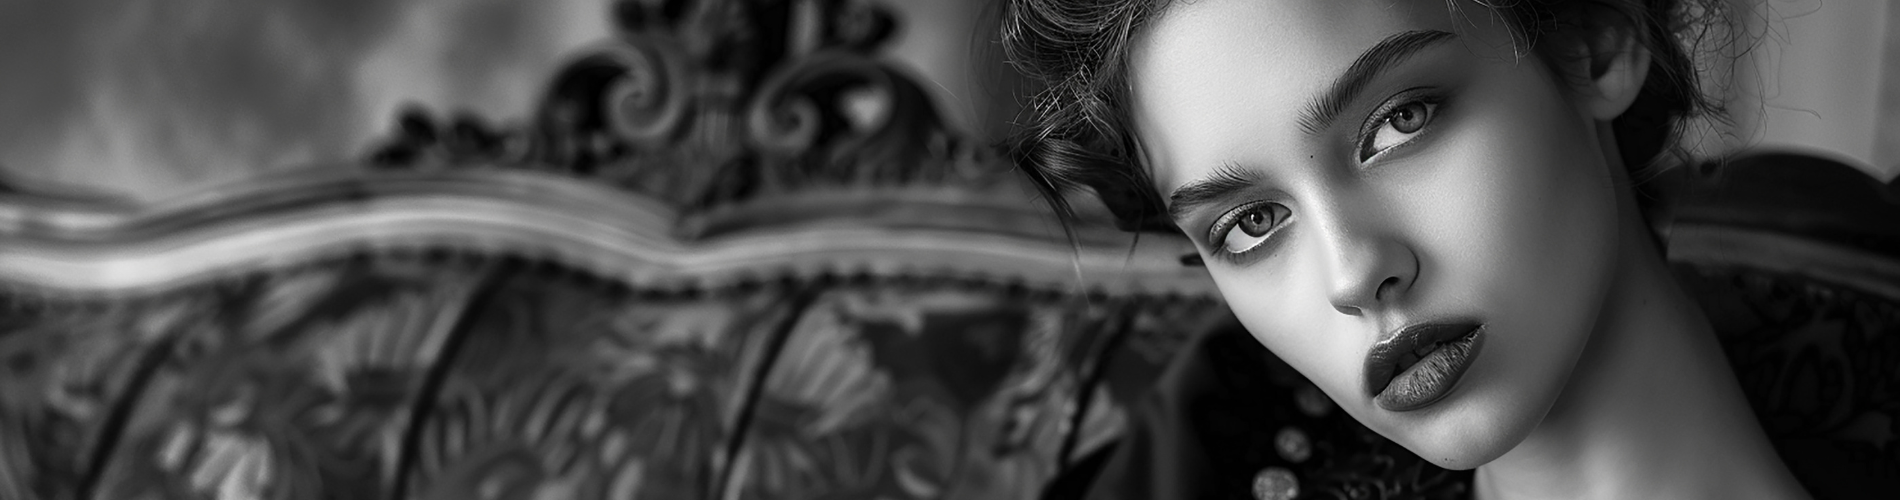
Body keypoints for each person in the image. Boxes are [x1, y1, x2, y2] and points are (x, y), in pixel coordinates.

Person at [999, 0, 1817, 498]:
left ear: (1594, 45)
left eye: (1398, 123)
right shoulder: (1209, 442)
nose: (1353, 273)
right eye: (1251, 224)